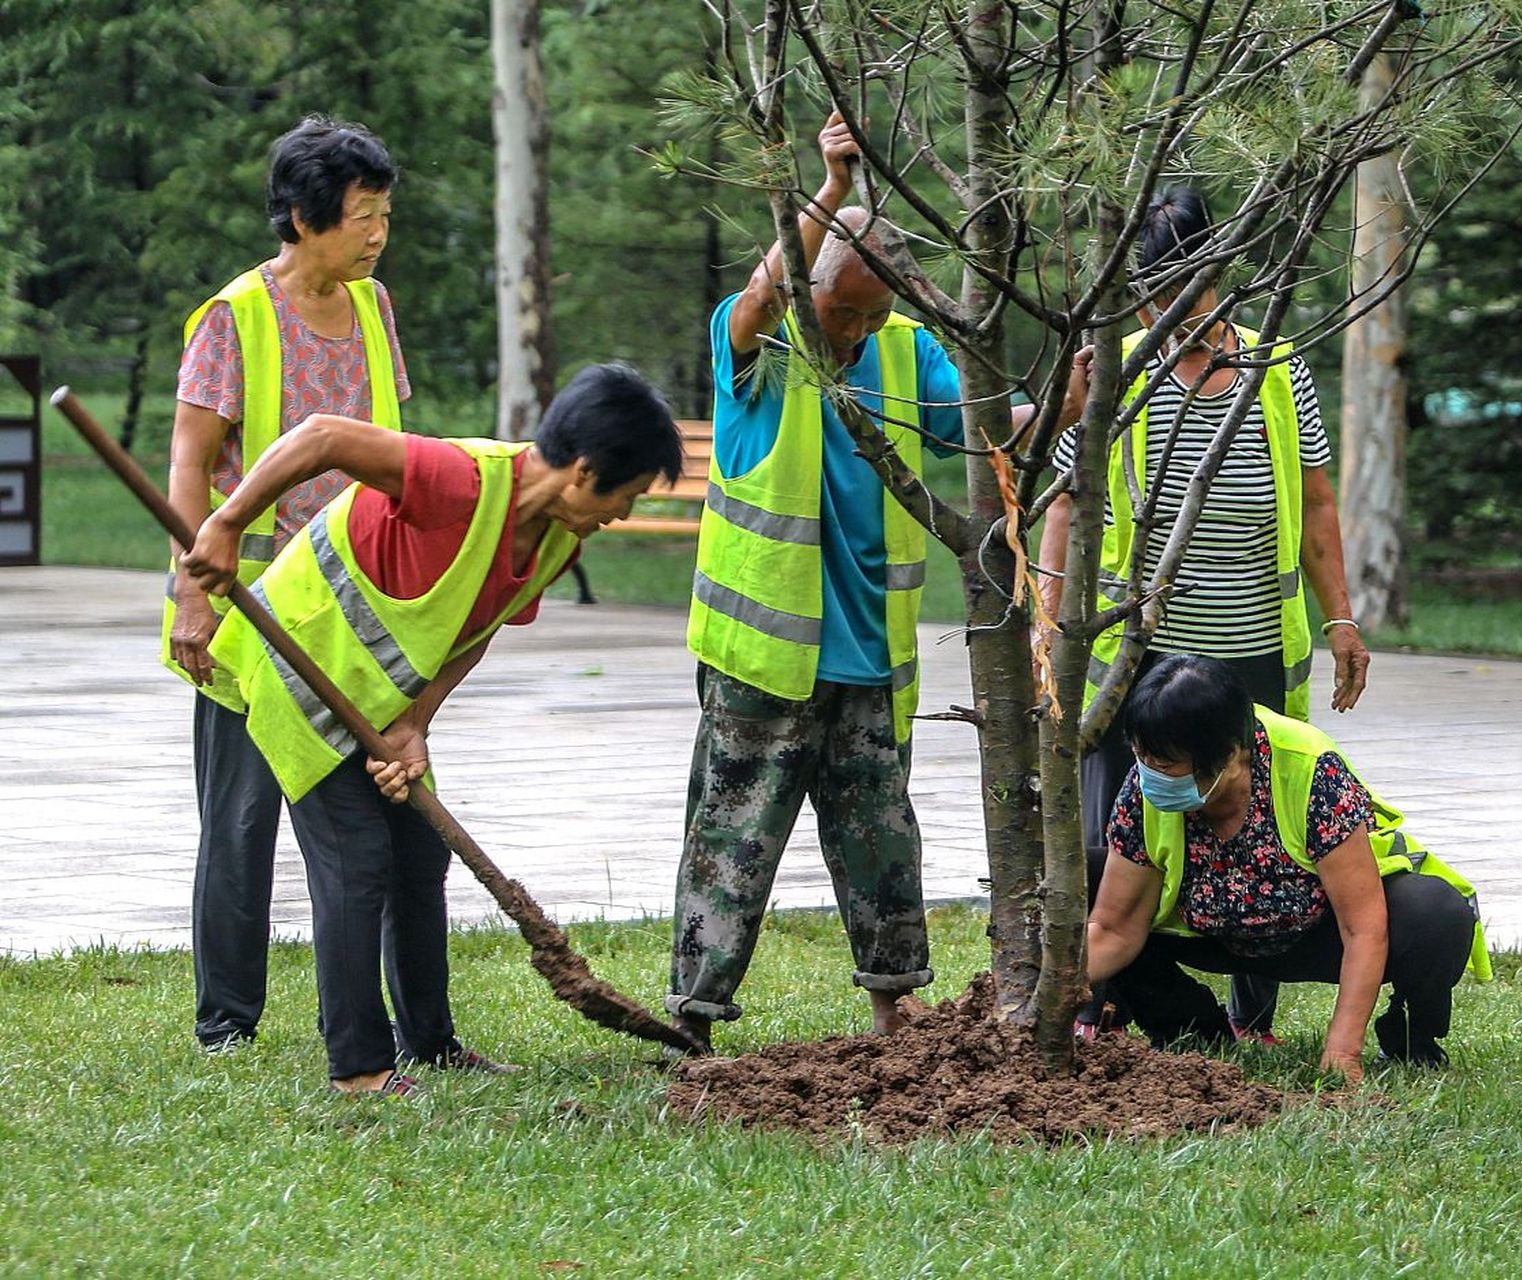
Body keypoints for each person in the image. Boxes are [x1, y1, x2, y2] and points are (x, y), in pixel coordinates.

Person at [669, 111, 1085, 1050]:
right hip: (763, 659)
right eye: (841, 311)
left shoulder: (905, 352)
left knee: (883, 842)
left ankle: (895, 1006)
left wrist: (1063, 400)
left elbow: (985, 428)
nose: (855, 330)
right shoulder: (760, 347)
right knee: (732, 844)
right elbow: (765, 293)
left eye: (872, 313)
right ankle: (693, 1018)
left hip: (868, 658)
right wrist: (829, 191)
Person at [183, 363, 683, 1095]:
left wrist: (416, 723)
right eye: (627, 496)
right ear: (584, 472)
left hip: (384, 705)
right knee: (356, 863)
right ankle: (358, 1067)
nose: (620, 516)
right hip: (297, 667)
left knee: (419, 858)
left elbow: (473, 628)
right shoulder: (460, 480)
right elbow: (322, 436)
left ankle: (430, 1043)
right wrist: (223, 524)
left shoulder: (554, 543)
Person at [1039, 186, 1369, 1042]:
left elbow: (1318, 502)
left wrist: (1341, 619)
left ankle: (1249, 1013)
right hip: (1138, 655)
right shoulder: (1118, 370)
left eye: (1195, 285)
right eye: (1157, 291)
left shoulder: (1275, 364)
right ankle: (1101, 1006)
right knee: (1123, 826)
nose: (1178, 307)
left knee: (1253, 823)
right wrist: (1049, 623)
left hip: (1251, 644)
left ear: (1218, 273)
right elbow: (1067, 505)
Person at [166, 115, 410, 1054]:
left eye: (384, 214)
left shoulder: (376, 305)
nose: (377, 233)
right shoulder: (237, 316)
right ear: (304, 218)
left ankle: (404, 1018)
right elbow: (189, 466)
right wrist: (195, 591)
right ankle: (227, 1021)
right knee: (240, 820)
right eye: (361, 216)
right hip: (248, 609)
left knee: (374, 820)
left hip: (360, 607)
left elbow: (392, 446)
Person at [1082, 655, 1490, 1082]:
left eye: (1166, 766)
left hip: (1314, 932)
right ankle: (1192, 1031)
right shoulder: (1145, 783)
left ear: (1228, 755)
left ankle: (1411, 1042)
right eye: (1142, 758)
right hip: (1209, 931)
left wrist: (1342, 1052)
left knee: (1436, 913)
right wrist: (1040, 999)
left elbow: (1363, 927)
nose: (1149, 775)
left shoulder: (1311, 769)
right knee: (1087, 880)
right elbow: (1115, 928)